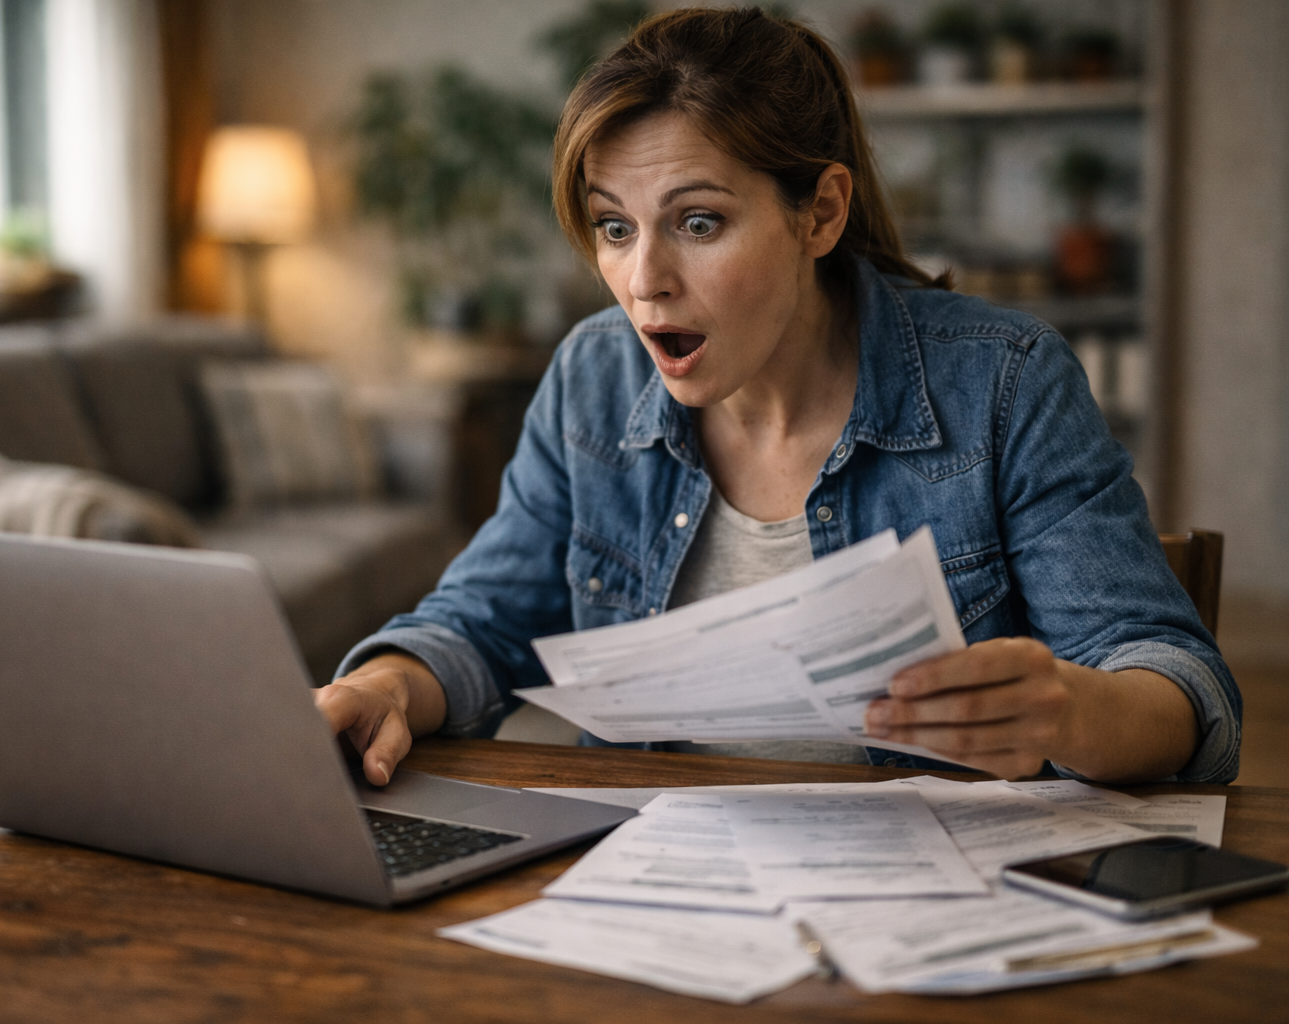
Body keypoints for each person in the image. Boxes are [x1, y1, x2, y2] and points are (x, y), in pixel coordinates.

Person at [314, 8, 1239, 789]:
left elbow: (1181, 688)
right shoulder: (592, 378)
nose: (644, 282)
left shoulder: (1005, 380)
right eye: (613, 227)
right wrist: (390, 683)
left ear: (821, 213)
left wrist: (1071, 714)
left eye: (699, 222)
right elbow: (483, 620)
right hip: (656, 891)